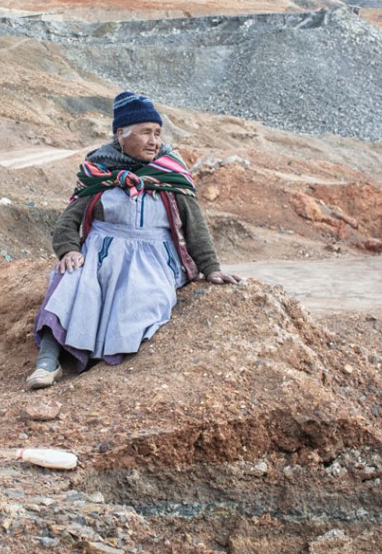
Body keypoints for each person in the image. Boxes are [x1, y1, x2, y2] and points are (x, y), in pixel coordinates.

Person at [27, 91, 241, 389]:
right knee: (72, 283)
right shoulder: (98, 169)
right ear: (121, 134)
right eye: (145, 133)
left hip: (152, 259)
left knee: (139, 298)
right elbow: (67, 222)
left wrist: (211, 267)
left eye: (157, 133)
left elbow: (196, 226)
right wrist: (69, 251)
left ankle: (100, 369)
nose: (154, 141)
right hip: (100, 254)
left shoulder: (170, 171)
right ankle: (47, 364)